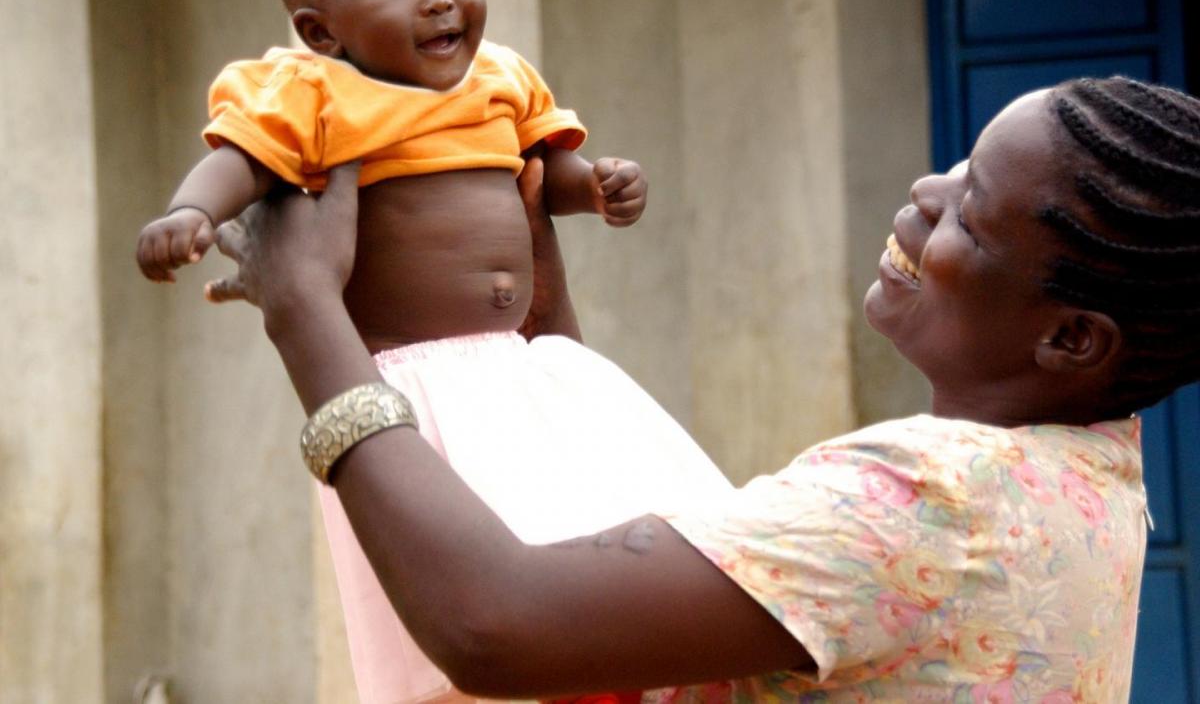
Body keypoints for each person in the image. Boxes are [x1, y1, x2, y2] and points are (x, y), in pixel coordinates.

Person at [207, 76, 1200, 701]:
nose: (926, 194)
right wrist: (531, 275)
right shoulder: (1085, 478)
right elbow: (595, 563)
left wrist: (305, 311)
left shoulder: (924, 502)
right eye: (959, 166)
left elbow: (496, 625)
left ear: (1072, 338)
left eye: (971, 215)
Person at [135, 0, 731, 703]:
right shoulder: (312, 93)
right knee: (482, 546)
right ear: (321, 30)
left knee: (615, 519)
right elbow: (239, 159)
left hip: (526, 362)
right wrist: (190, 213)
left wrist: (596, 186)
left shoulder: (501, 76)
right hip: (414, 381)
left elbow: (544, 171)